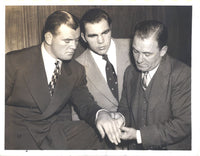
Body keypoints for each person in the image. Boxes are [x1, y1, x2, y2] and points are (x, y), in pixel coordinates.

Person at [5, 10, 122, 150]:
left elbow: (85, 103)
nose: (74, 47)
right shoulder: (15, 61)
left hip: (52, 131)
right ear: (49, 38)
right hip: (15, 133)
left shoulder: (76, 69)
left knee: (99, 133)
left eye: (76, 40)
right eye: (67, 41)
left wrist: (101, 114)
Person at [118, 20, 191, 150]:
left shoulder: (182, 74)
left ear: (163, 51)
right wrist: (120, 118)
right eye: (135, 51)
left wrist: (139, 135)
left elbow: (183, 124)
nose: (139, 60)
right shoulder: (130, 72)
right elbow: (126, 108)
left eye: (147, 54)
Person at [72, 8, 131, 121]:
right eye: (93, 36)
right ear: (84, 38)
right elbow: (77, 114)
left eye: (105, 32)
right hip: (102, 135)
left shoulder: (133, 48)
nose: (101, 41)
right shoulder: (77, 66)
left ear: (111, 29)